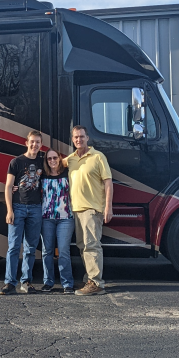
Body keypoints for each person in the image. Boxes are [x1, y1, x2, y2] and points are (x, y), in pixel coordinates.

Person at [65, 125, 112, 296]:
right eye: (76, 137)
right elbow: (52, 166)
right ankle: (90, 278)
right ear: (72, 139)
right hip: (76, 209)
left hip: (92, 209)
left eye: (81, 136)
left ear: (87, 138)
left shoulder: (98, 157)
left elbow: (108, 182)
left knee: (91, 245)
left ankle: (96, 283)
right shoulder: (70, 159)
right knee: (82, 246)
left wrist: (108, 207)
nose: (79, 139)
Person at [0, 130, 44, 295]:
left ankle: (26, 282)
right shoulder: (16, 162)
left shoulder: (43, 162)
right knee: (14, 247)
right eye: (32, 141)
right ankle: (9, 283)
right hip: (18, 207)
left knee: (30, 248)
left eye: (37, 142)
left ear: (41, 144)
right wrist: (9, 210)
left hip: (36, 208)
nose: (34, 145)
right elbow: (8, 187)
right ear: (26, 143)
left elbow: (58, 166)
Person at [39, 149, 75, 294]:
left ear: (60, 158)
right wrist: (15, 188)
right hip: (46, 218)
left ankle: (67, 283)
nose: (52, 161)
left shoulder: (68, 173)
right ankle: (48, 282)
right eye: (49, 159)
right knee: (46, 251)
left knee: (64, 251)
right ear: (46, 161)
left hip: (65, 218)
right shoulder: (42, 175)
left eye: (55, 158)